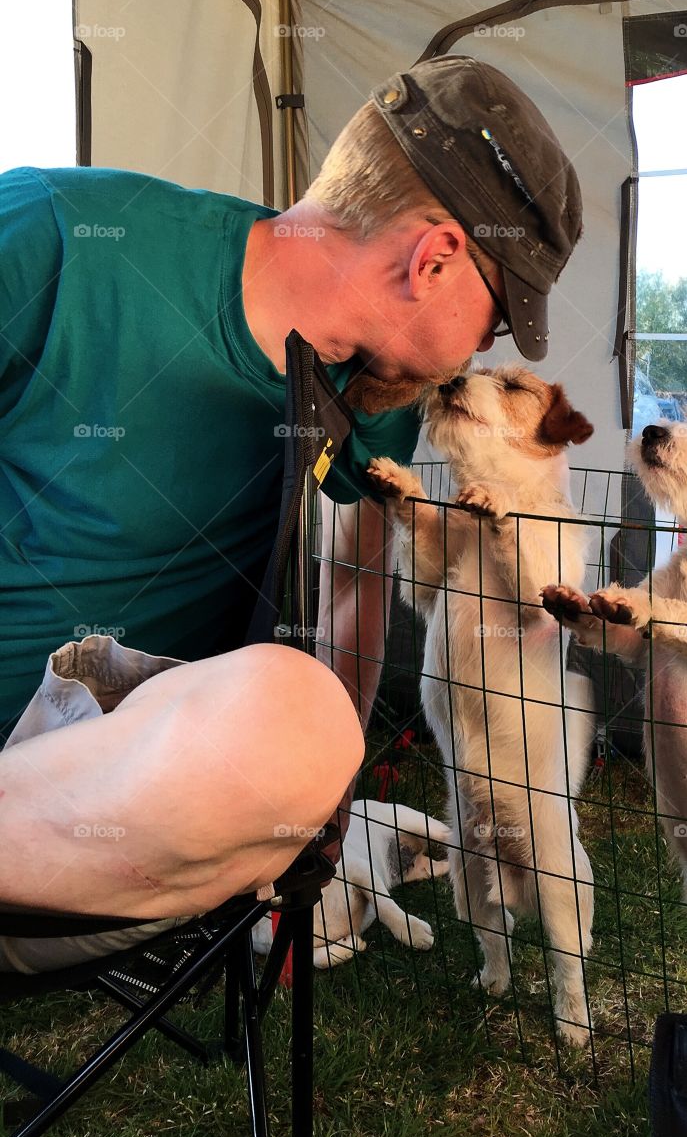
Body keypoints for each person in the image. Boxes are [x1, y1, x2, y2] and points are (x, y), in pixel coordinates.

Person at [0, 55, 582, 970]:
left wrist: (324, 780)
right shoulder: (53, 240)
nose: (480, 350)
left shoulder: (365, 390)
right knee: (299, 722)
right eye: (496, 321)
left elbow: (354, 571)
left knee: (306, 723)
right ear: (435, 260)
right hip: (31, 793)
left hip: (146, 816)